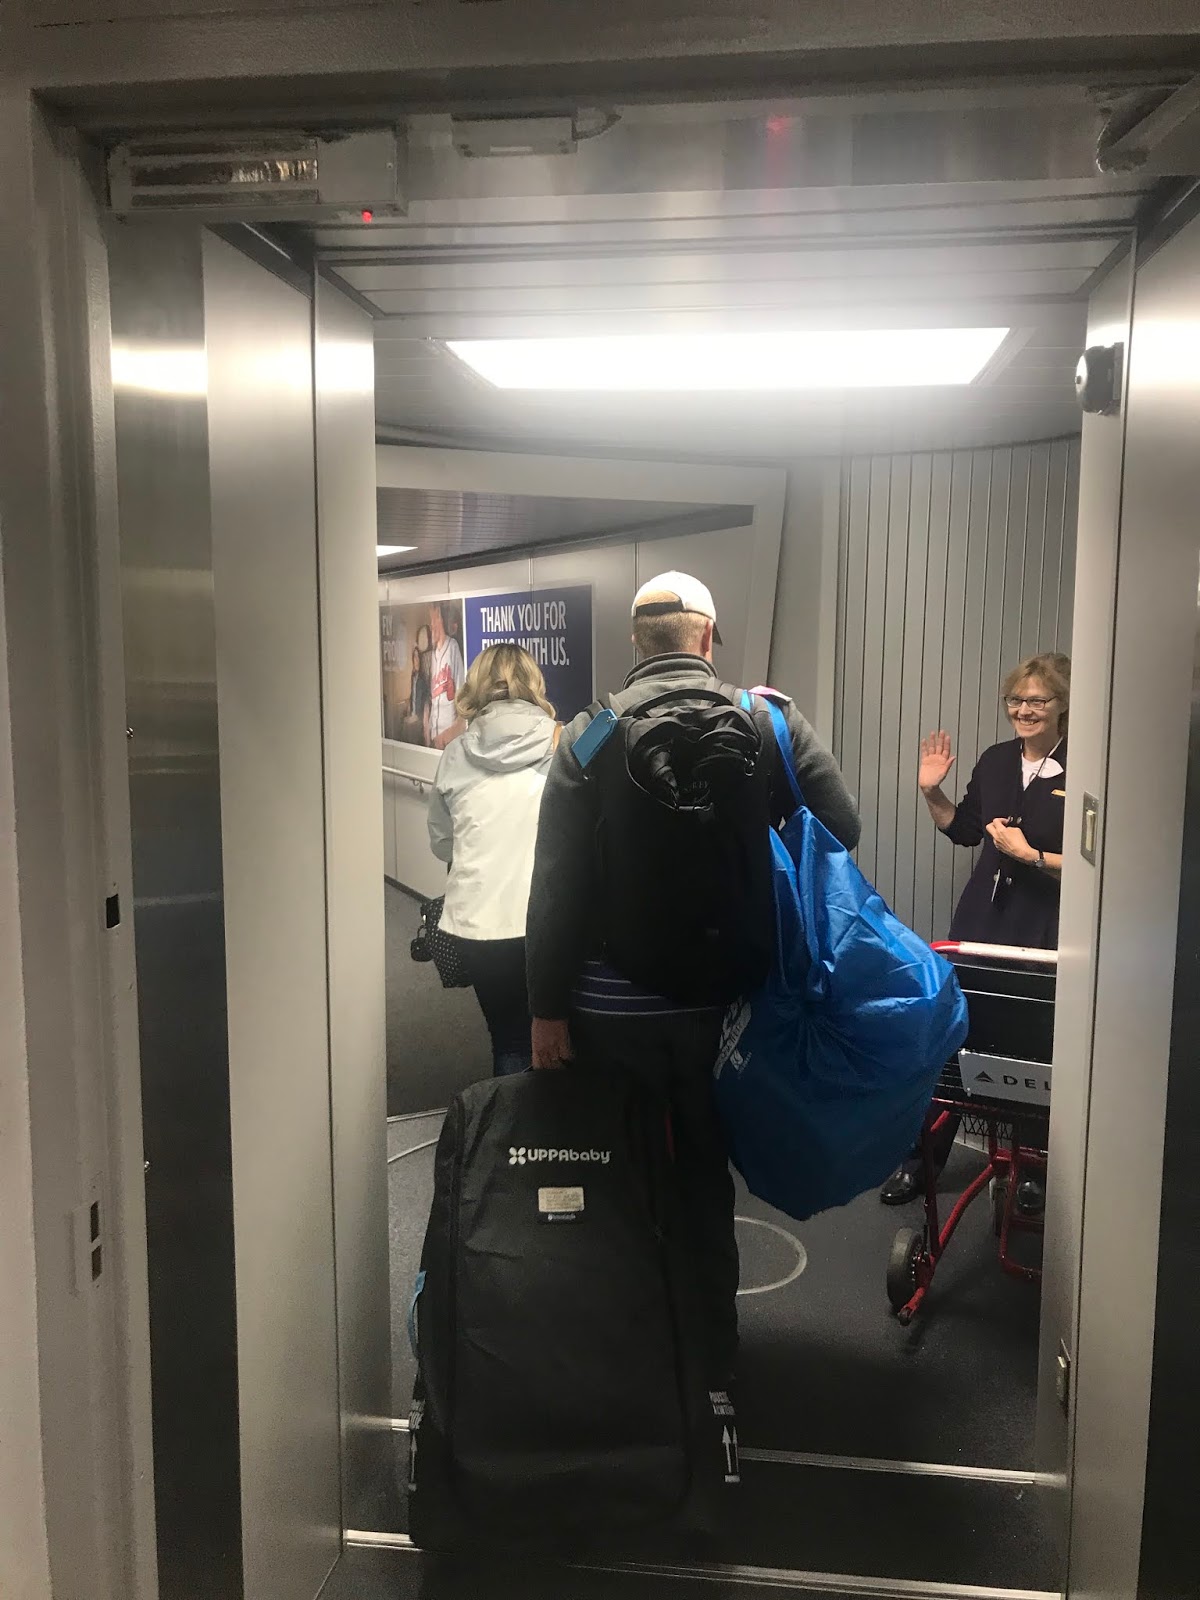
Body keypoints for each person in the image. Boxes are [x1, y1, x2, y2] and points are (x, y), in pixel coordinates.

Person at [525, 571, 860, 1383]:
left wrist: (545, 1010)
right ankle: (711, 1360)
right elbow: (840, 826)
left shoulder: (590, 734)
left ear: (636, 640)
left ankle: (630, 1359)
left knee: (621, 1169)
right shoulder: (767, 718)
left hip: (613, 1005)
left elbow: (556, 884)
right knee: (704, 1176)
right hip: (730, 1006)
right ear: (708, 637)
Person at [880, 650, 1070, 1204]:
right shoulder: (995, 760)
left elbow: (1100, 862)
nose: (1024, 710)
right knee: (952, 1033)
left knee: (1035, 1044)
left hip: (1044, 929)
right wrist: (930, 791)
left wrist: (1032, 856)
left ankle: (1033, 1169)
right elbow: (964, 829)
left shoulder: (1088, 767)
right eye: (1016, 700)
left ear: (1062, 705)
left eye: (1037, 700)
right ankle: (923, 1160)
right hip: (981, 922)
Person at [427, 644, 559, 1077]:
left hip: (478, 924)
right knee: (560, 1032)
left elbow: (442, 844)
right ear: (533, 684)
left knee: (509, 1038)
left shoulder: (454, 755)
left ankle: (512, 1119)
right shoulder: (565, 744)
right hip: (549, 920)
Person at [425, 602, 465, 750]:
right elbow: (431, 698)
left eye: (434, 619)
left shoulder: (452, 647)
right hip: (434, 733)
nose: (431, 625)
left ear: (441, 620)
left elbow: (461, 690)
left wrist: (455, 730)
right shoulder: (432, 655)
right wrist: (427, 728)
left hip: (449, 734)